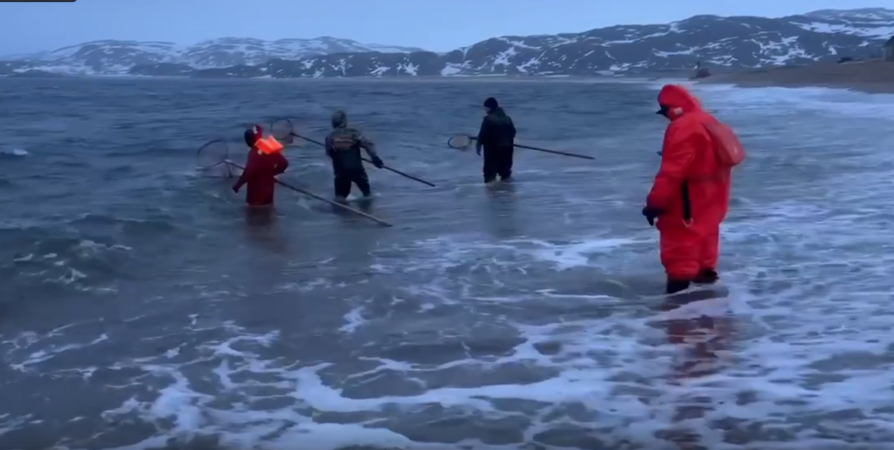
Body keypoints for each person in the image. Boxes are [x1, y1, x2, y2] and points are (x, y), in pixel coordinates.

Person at [642, 84, 743, 295]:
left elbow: (671, 173)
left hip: (687, 205)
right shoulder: (709, 120)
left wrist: (654, 205)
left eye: (664, 112)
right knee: (705, 252)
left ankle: (675, 308)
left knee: (680, 254)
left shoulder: (682, 127)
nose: (666, 118)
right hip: (713, 200)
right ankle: (709, 303)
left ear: (671, 108)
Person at [324, 110, 384, 202]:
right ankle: (368, 209)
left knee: (340, 199)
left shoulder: (330, 137)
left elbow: (329, 152)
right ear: (345, 122)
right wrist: (374, 158)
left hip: (341, 172)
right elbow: (368, 144)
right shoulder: (353, 133)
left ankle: (341, 210)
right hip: (357, 170)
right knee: (367, 195)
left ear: (333, 123)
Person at [232, 125, 289, 207]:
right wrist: (272, 173)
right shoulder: (268, 148)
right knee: (268, 209)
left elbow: (248, 173)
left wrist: (237, 185)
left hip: (256, 194)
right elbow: (284, 163)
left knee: (254, 211)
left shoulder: (254, 154)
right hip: (269, 191)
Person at [476, 97, 517, 184]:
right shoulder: (507, 119)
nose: (485, 110)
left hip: (492, 150)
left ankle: (491, 190)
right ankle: (507, 189)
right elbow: (513, 132)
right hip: (507, 149)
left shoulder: (488, 119)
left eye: (485, 108)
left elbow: (483, 134)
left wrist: (478, 145)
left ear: (489, 108)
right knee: (505, 172)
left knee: (489, 173)